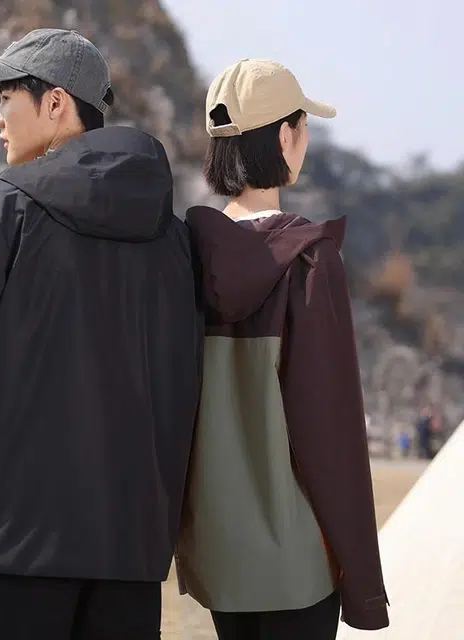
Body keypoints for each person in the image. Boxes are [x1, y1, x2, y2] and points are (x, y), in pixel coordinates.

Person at [0, 28, 201, 640]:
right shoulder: (173, 239)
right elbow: (181, 396)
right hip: (128, 559)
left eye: (6, 98)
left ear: (56, 102)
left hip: (6, 552)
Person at [176, 59, 389, 639]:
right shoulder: (309, 261)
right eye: (303, 125)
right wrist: (364, 582)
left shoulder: (181, 256)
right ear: (284, 137)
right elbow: (330, 430)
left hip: (217, 552)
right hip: (298, 559)